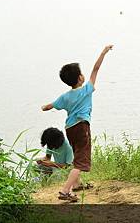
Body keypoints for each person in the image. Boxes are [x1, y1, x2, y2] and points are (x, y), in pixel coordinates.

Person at [41, 45, 113, 202]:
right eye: (81, 74)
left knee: (77, 157)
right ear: (80, 78)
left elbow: (50, 106)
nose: (84, 75)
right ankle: (65, 191)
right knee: (80, 163)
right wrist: (103, 52)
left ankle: (76, 186)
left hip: (69, 129)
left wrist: (43, 107)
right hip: (81, 127)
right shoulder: (87, 89)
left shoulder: (65, 97)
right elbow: (96, 69)